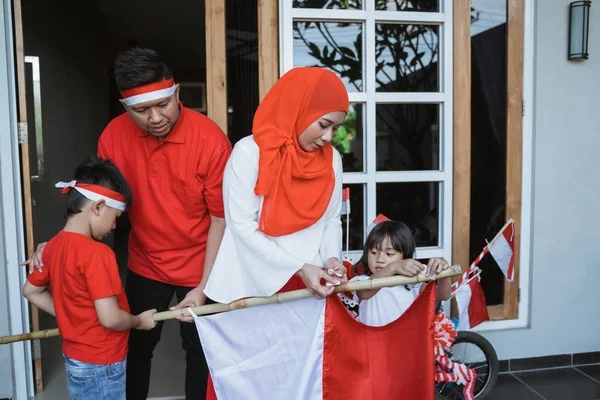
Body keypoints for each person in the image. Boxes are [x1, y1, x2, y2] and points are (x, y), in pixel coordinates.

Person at [21, 47, 231, 399]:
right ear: (125, 107)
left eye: (162, 104)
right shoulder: (113, 137)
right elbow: (91, 204)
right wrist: (58, 242)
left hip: (201, 263)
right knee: (134, 346)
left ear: (176, 92)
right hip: (145, 262)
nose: (155, 118)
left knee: (201, 352)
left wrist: (205, 287)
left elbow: (220, 220)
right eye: (141, 110)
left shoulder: (210, 141)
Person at [204, 67, 350, 305]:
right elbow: (241, 226)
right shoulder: (249, 153)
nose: (328, 137)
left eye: (335, 128)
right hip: (253, 284)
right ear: (298, 108)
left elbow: (331, 220)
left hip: (311, 284)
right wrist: (298, 267)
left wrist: (333, 259)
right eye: (324, 124)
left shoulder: (332, 159)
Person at [22, 156, 157, 400]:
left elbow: (30, 291)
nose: (114, 227)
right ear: (98, 207)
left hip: (75, 358)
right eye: (115, 218)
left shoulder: (51, 247)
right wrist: (138, 321)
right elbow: (110, 318)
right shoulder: (98, 254)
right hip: (102, 362)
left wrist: (70, 313)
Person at [352, 220, 452, 327]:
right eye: (374, 252)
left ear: (404, 256)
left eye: (389, 254)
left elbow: (442, 295)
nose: (380, 259)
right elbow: (364, 293)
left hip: (406, 342)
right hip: (373, 342)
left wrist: (444, 274)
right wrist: (393, 267)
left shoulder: (413, 282)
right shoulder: (361, 281)